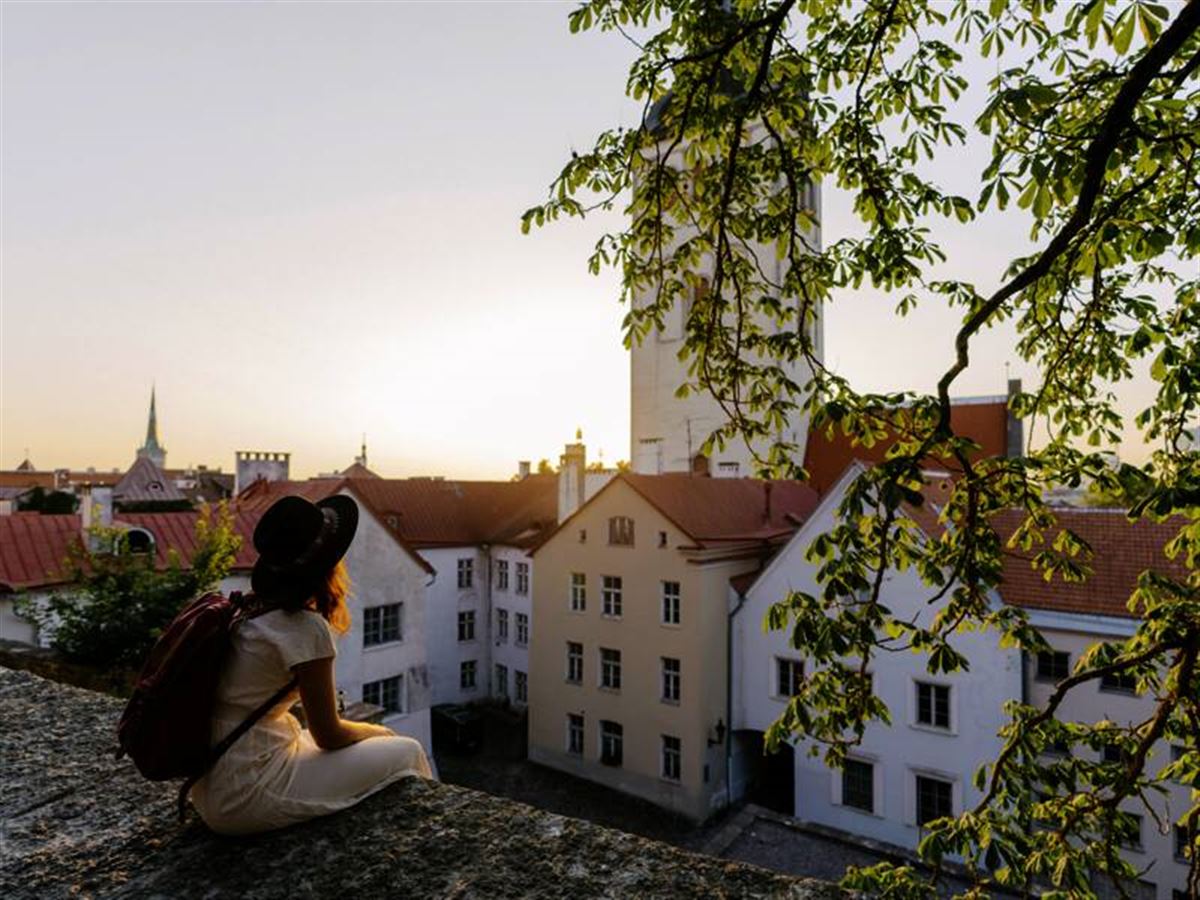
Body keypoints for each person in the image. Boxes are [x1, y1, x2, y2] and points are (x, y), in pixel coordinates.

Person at [190, 494, 432, 835]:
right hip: (247, 791)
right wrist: (381, 732)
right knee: (408, 751)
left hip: (210, 781)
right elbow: (329, 735)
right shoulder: (304, 628)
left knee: (358, 745)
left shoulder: (246, 611)